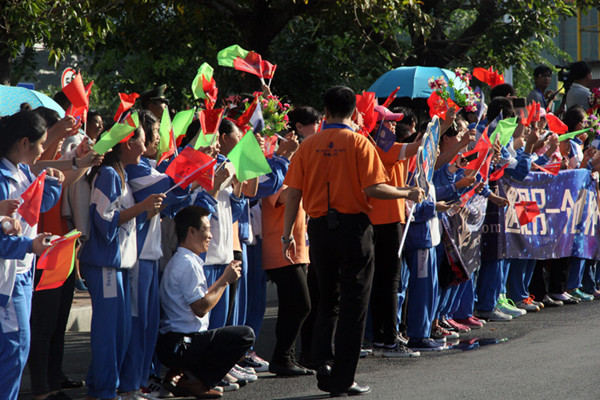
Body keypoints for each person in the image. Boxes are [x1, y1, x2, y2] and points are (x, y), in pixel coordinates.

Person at [282, 86, 424, 397]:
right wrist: (406, 192)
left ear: (326, 110)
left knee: (326, 299)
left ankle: (322, 361)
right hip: (354, 229)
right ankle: (343, 378)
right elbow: (375, 189)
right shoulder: (360, 142)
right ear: (352, 112)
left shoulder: (308, 146)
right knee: (354, 302)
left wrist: (286, 234)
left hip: (319, 229)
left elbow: (293, 193)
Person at [78, 124, 165, 400]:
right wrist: (142, 207)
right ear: (128, 144)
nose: (147, 145)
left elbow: (123, 221)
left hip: (119, 265)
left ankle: (101, 384)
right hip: (105, 264)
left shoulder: (120, 174)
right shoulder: (108, 174)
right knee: (110, 332)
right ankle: (104, 390)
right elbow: (104, 221)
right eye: (141, 140)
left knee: (121, 331)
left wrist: (144, 210)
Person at [156, 206, 254, 399]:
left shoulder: (186, 260)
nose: (210, 235)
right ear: (191, 231)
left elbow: (201, 300)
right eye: (206, 229)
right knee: (245, 335)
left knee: (223, 335)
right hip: (180, 344)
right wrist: (225, 280)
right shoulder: (187, 263)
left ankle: (183, 374)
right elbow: (200, 308)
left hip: (177, 342)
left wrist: (223, 280)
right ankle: (196, 380)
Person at [0, 110, 63, 400]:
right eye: (40, 144)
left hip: (23, 272)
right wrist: (29, 246)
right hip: (8, 278)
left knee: (16, 349)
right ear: (24, 142)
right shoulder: (3, 178)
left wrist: (53, 182)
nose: (43, 151)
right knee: (15, 347)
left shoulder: (23, 171)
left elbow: (37, 209)